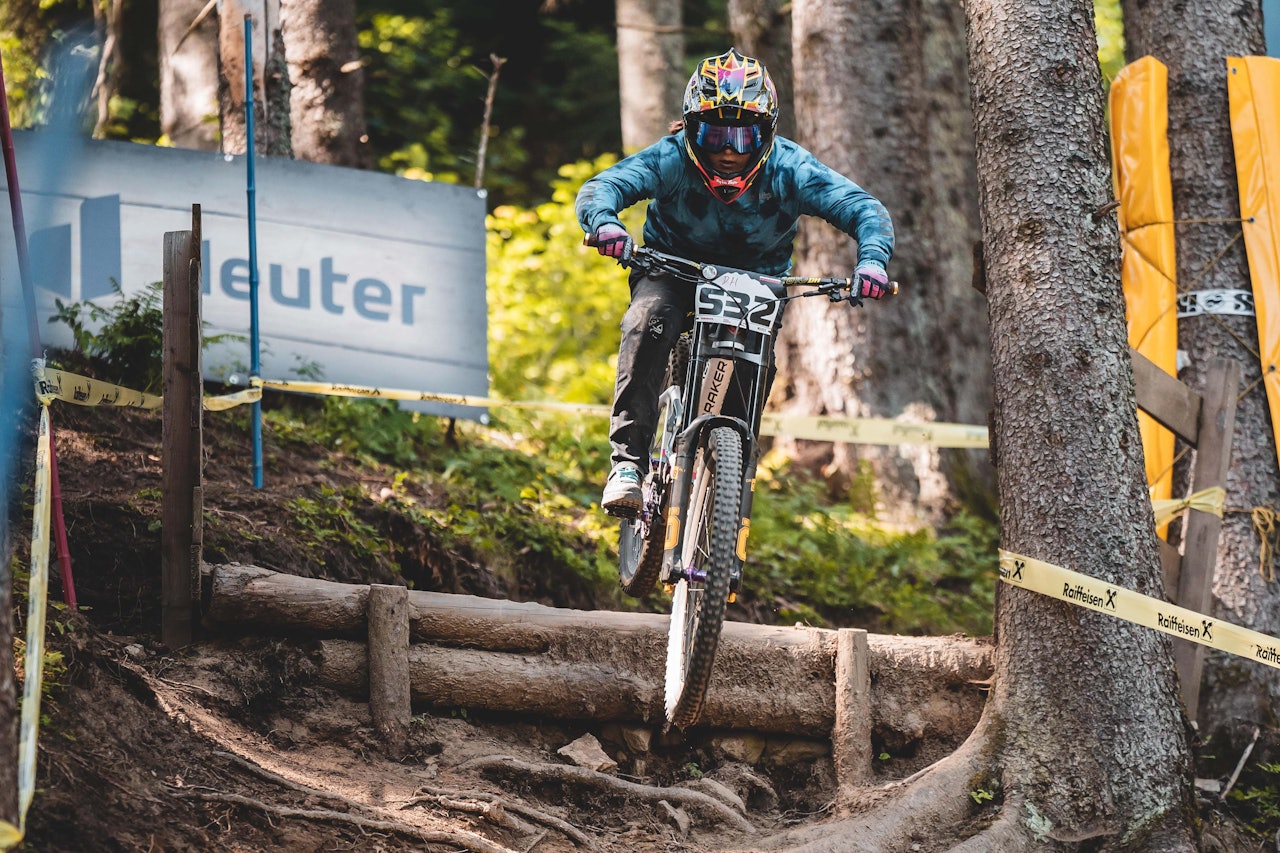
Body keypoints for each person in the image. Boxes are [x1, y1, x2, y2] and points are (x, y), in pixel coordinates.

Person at [577, 47, 895, 515]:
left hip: (754, 282)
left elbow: (864, 209)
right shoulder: (671, 158)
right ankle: (627, 463)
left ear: (767, 134)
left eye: (744, 137)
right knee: (647, 321)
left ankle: (729, 474)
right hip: (672, 269)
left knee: (752, 374)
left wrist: (872, 262)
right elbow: (603, 186)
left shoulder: (791, 168)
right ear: (690, 130)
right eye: (714, 134)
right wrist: (606, 223)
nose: (728, 151)